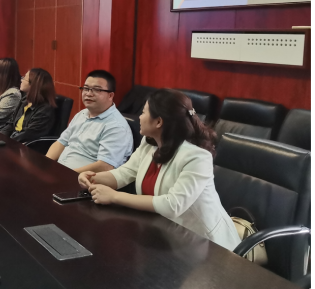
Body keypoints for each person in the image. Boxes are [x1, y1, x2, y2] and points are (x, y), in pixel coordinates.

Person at [78, 89, 241, 251]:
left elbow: (173, 205)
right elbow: (124, 173)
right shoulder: (149, 144)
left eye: (143, 112)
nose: (139, 117)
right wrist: (93, 178)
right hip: (166, 235)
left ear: (158, 122)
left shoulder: (197, 157)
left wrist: (114, 196)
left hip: (206, 244)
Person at [46, 70, 133, 173]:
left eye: (96, 90)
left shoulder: (116, 126)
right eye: (86, 88)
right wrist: (45, 164)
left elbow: (105, 166)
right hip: (61, 172)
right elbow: (61, 142)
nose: (88, 94)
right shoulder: (82, 114)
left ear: (110, 95)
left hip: (82, 179)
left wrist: (68, 175)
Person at [0, 68, 56, 143]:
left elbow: (27, 134)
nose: (21, 80)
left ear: (33, 85)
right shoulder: (24, 101)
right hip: (13, 140)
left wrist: (7, 142)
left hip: (24, 145)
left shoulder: (45, 110)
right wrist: (0, 137)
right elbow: (11, 124)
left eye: (24, 78)